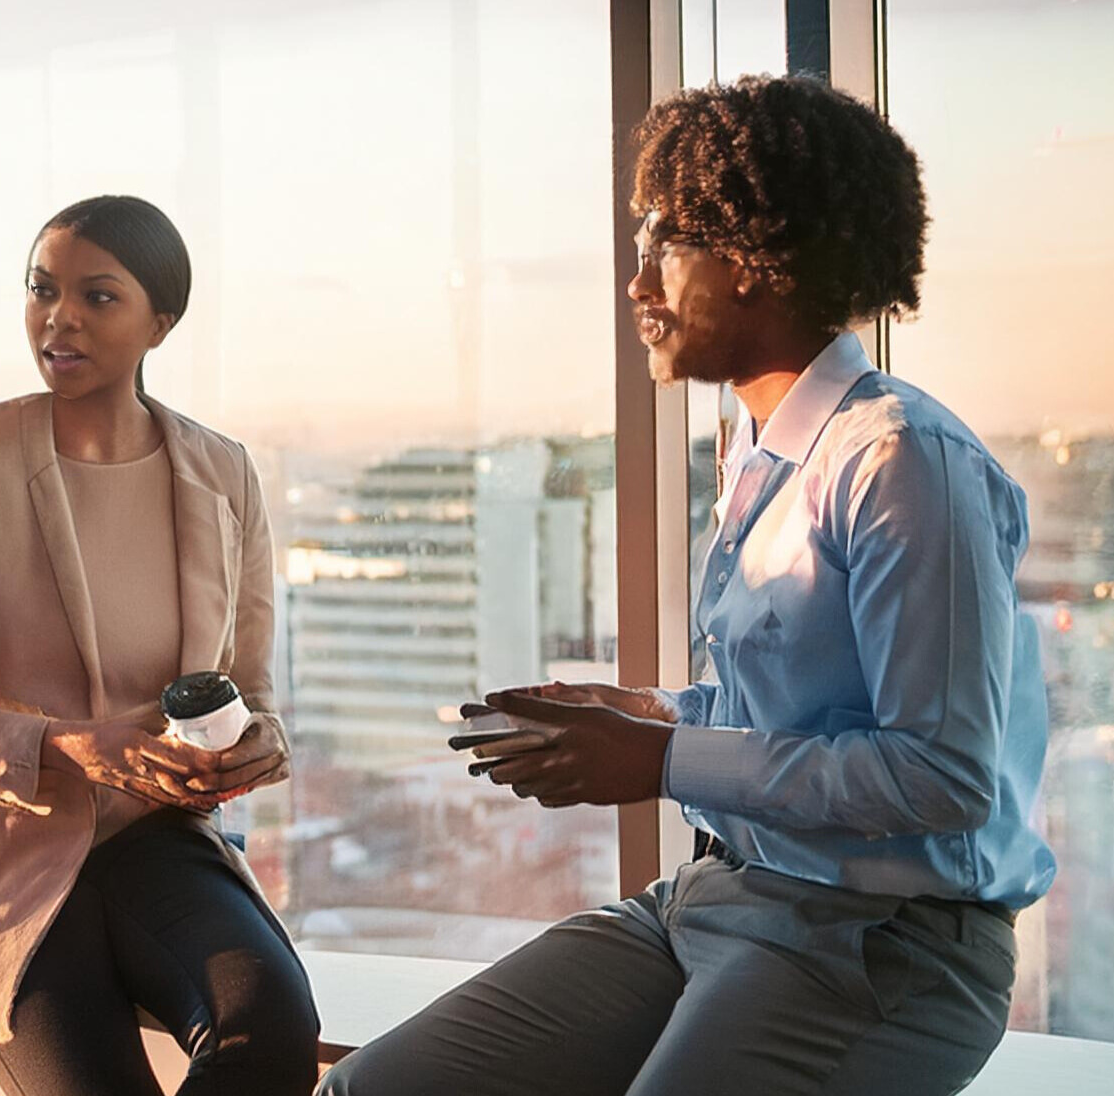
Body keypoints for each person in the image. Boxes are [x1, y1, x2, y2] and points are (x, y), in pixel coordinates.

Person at [319, 75, 1055, 1096]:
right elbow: (795, 715)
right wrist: (651, 712)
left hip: (878, 943)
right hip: (719, 895)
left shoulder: (897, 459)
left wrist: (662, 757)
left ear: (759, 252)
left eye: (661, 240)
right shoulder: (756, 449)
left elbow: (935, 776)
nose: (635, 283)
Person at [0, 195, 320, 1095]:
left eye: (97, 296)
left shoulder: (224, 474)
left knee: (273, 1026)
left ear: (160, 322)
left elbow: (249, 693)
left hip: (158, 843)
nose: (57, 317)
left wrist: (258, 744)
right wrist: (63, 744)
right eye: (41, 289)